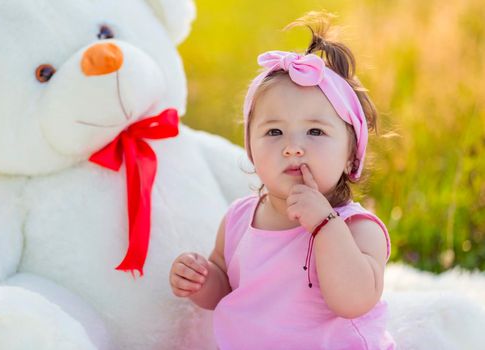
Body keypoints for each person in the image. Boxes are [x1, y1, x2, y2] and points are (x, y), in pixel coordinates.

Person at [169, 11, 395, 349]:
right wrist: (202, 281)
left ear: (351, 155)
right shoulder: (239, 220)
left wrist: (324, 224)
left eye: (315, 131)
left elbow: (353, 300)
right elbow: (227, 291)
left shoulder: (357, 228)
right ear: (250, 148)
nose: (292, 148)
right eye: (274, 132)